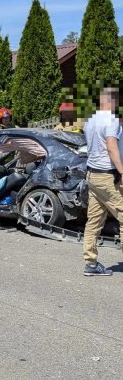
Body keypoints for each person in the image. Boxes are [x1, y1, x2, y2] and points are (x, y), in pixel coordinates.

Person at [83, 87, 123, 276]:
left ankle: (90, 264)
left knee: (94, 221)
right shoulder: (111, 120)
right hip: (107, 176)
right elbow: (111, 146)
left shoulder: (90, 121)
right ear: (113, 102)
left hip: (92, 176)